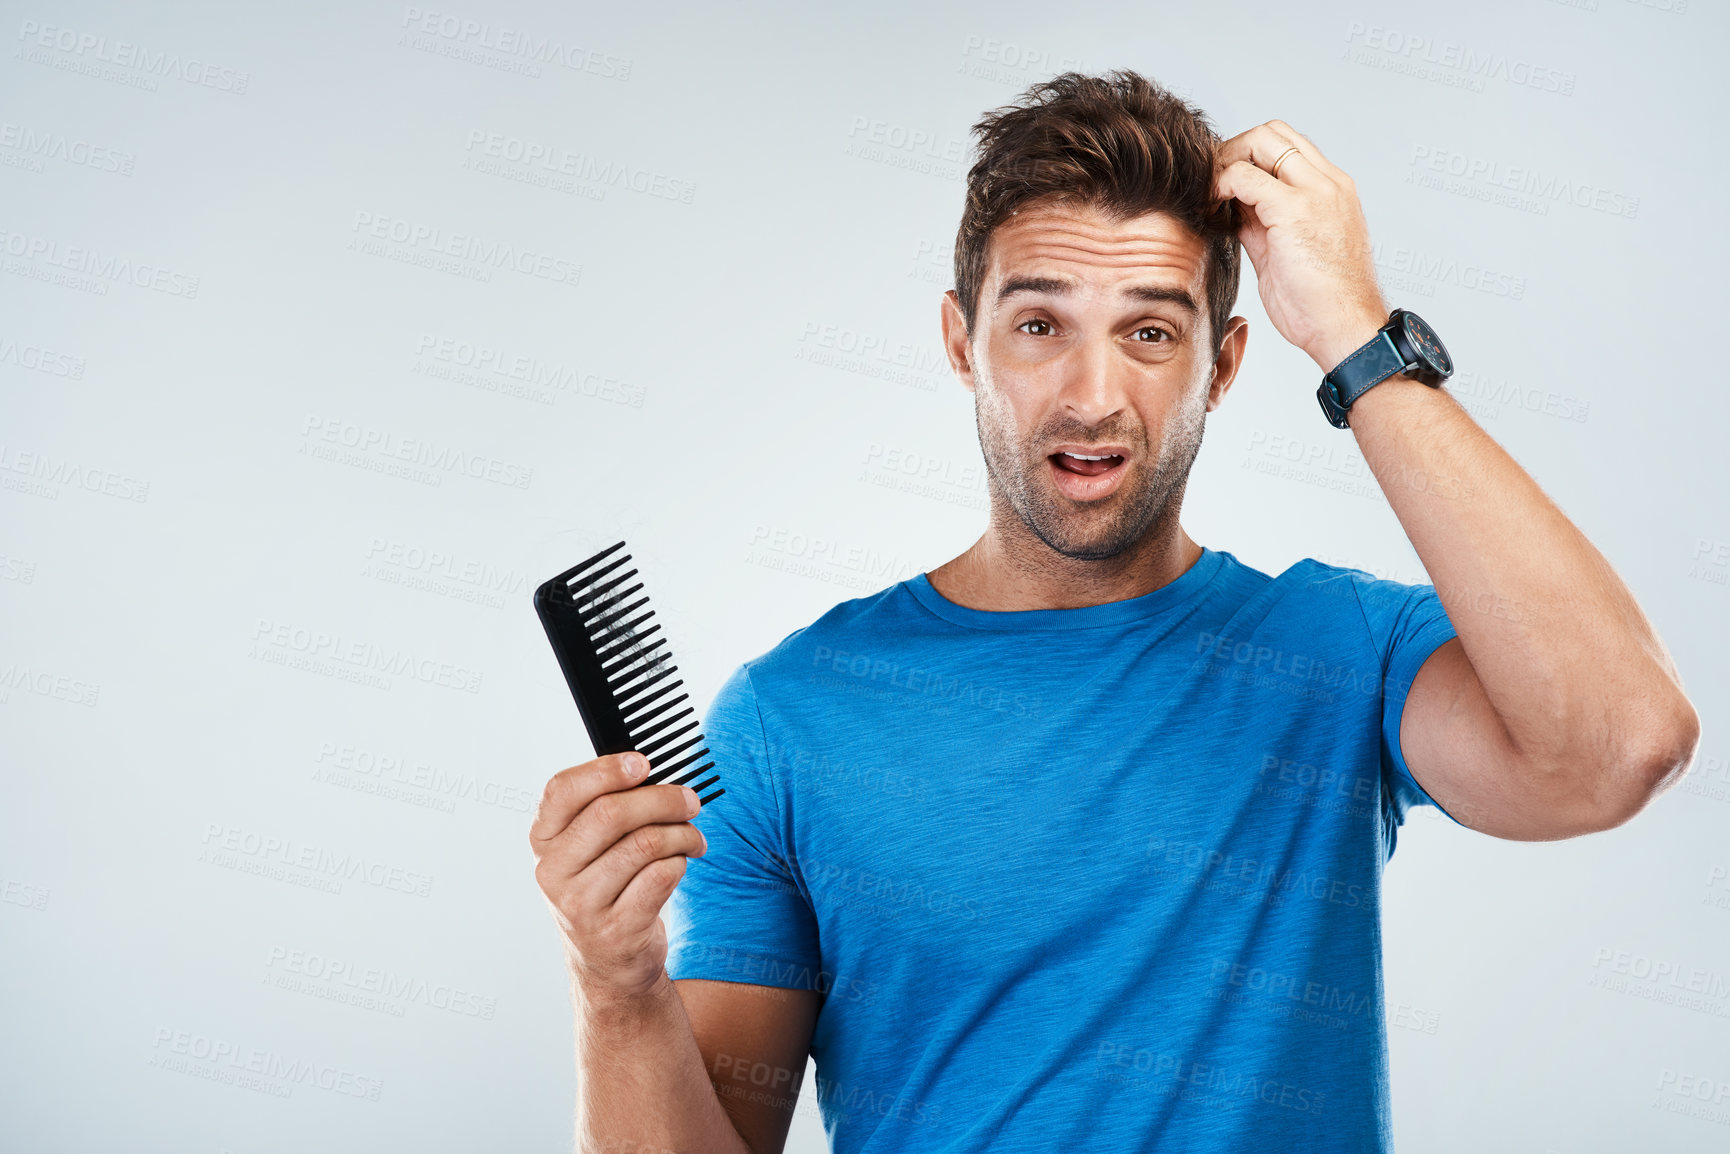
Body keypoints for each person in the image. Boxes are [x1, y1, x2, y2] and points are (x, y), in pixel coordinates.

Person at [527, 70, 1699, 1153]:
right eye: (1039, 325)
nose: (1091, 397)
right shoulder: (789, 716)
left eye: (1149, 331)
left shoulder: (1341, 653)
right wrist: (615, 986)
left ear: (1225, 364)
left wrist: (1353, 331)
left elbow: (1613, 747)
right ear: (960, 341)